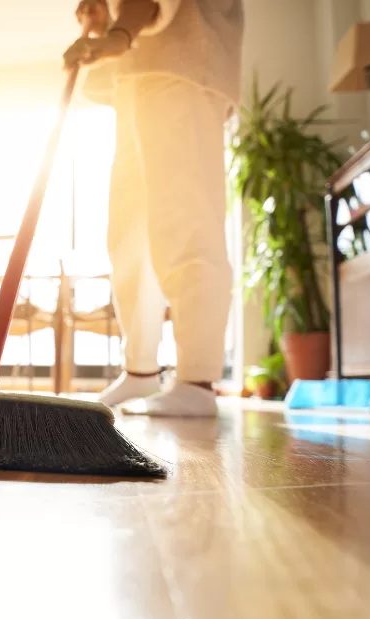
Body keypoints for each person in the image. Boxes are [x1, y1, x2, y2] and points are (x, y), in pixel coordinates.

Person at [64, 0, 244, 417]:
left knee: (186, 216)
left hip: (184, 64)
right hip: (136, 76)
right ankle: (141, 371)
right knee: (130, 231)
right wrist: (100, 17)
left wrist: (119, 32)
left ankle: (197, 380)